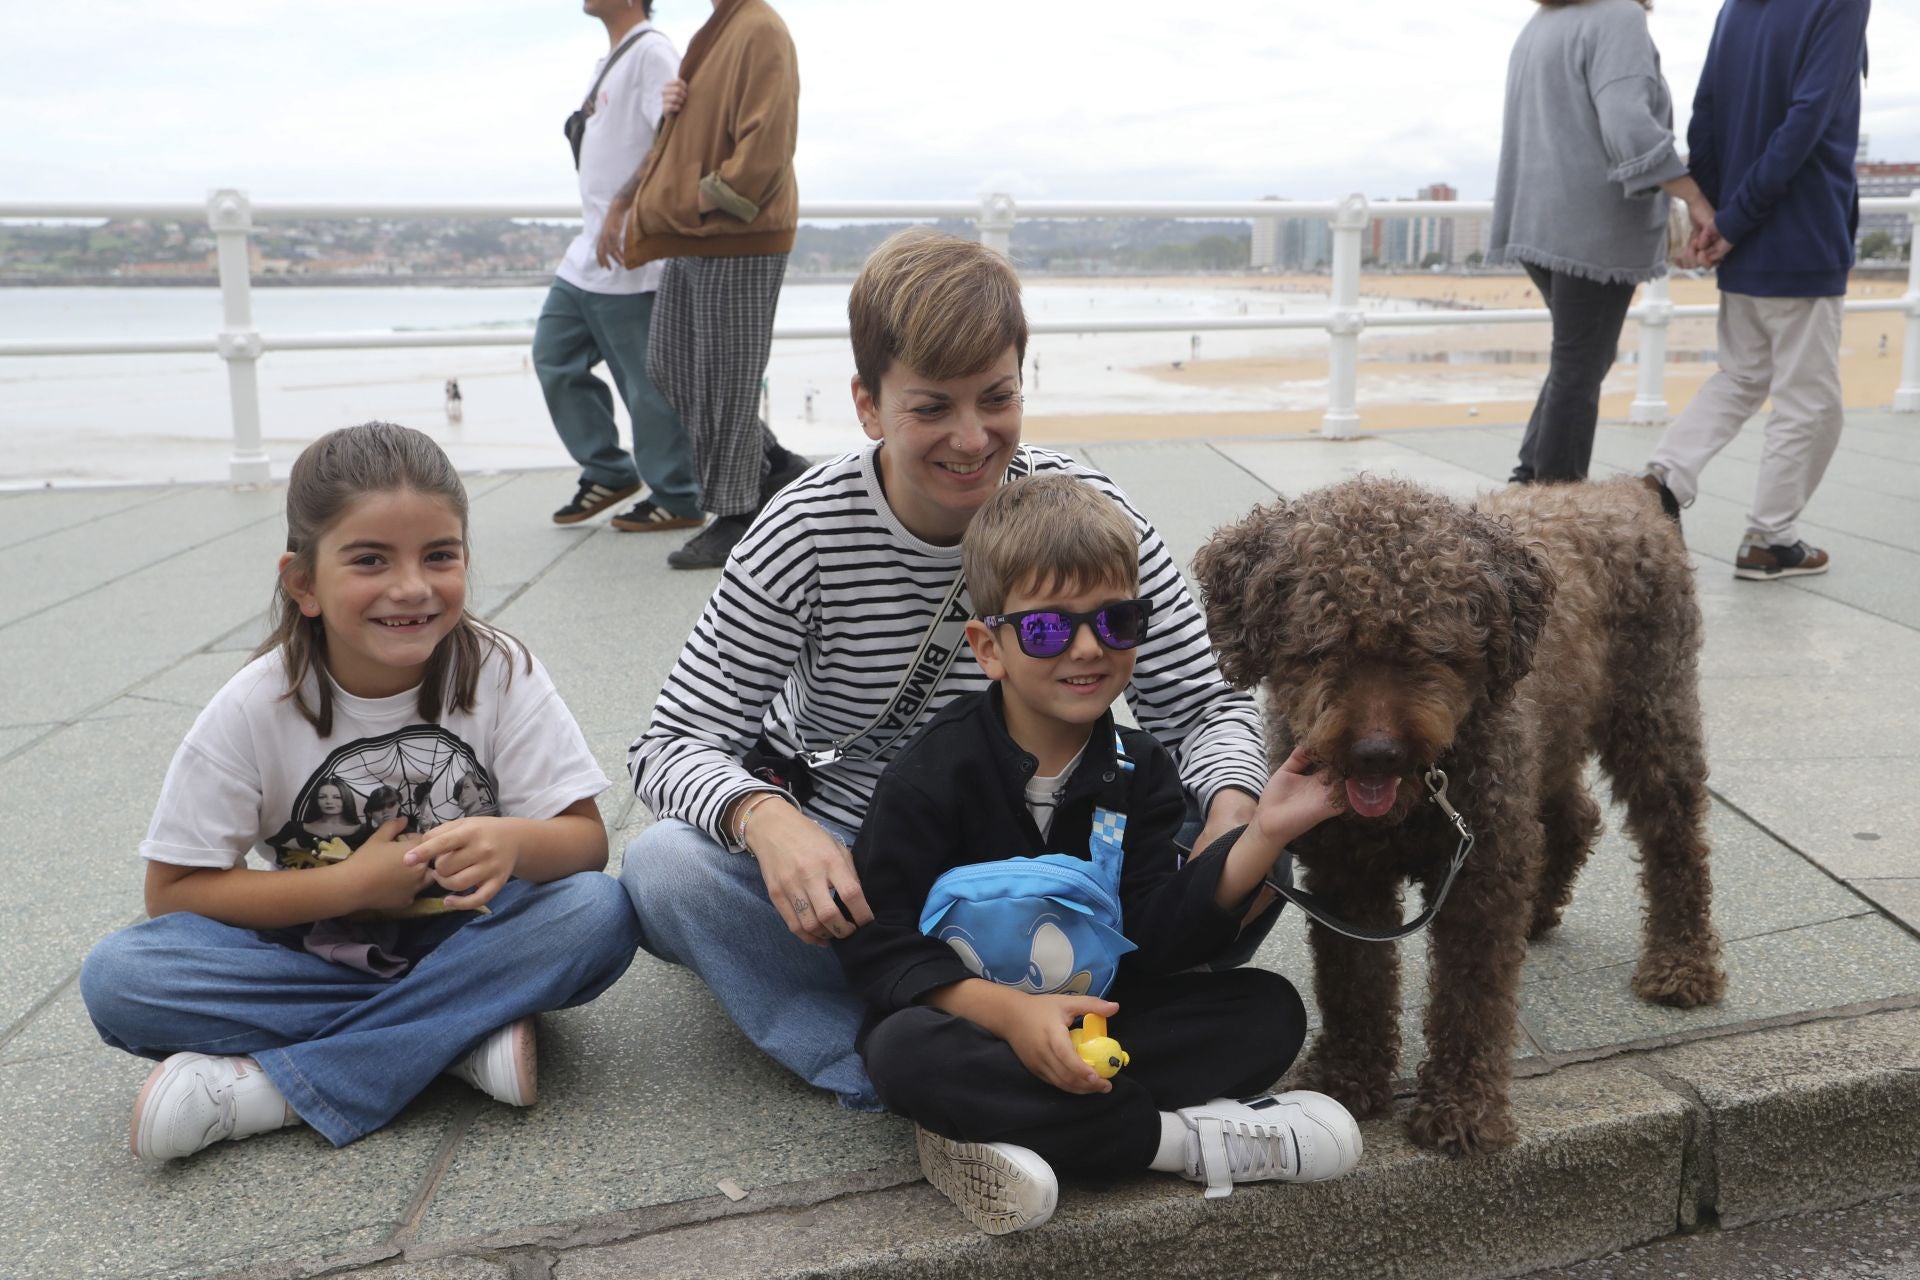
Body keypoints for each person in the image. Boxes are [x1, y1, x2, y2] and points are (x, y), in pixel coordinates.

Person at [623, 229, 1274, 1113]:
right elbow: (671, 744)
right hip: (867, 872)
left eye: (996, 398)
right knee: (667, 869)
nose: (973, 440)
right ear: (867, 404)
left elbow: (1203, 707)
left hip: (1064, 864)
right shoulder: (802, 533)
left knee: (1251, 848)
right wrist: (767, 818)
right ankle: (889, 1067)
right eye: (932, 408)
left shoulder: (1086, 514)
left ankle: (974, 1062)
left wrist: (1234, 811)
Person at [78, 422, 639, 1160]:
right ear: (304, 582)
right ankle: (458, 1035)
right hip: (315, 950)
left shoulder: (499, 670)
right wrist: (346, 888)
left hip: (470, 934)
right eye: (370, 560)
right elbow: (174, 893)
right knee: (122, 978)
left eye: (440, 556)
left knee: (597, 915)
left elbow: (584, 844)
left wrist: (512, 841)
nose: (411, 587)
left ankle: (275, 1089)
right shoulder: (254, 706)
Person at [834, 475, 1361, 1235]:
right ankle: (1178, 1143)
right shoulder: (931, 773)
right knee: (904, 1056)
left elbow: (1153, 938)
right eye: (1047, 630)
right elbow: (879, 948)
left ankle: (996, 1130)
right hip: (971, 1027)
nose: (1087, 648)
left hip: (1102, 1021)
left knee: (1270, 1013)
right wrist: (1013, 1017)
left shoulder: (1139, 769)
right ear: (988, 648)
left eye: (1116, 622)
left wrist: (1265, 835)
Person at [1644, 0, 1870, 580]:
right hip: (1801, 233)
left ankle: (1660, 485)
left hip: (1742, 235)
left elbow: (1707, 114)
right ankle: (1771, 540)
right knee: (1811, 402)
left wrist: (1715, 215)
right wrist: (1733, 220)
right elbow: (1810, 116)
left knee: (1741, 376)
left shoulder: (1737, 6)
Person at [602, 0, 811, 569]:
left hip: (736, 231)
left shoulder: (760, 26)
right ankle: (774, 466)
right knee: (671, 364)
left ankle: (738, 514)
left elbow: (767, 140)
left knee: (725, 376)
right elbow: (704, 130)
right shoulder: (717, 33)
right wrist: (675, 108)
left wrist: (703, 198)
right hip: (695, 234)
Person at [1488, 0, 1716, 484]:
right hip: (1589, 229)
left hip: (1535, 221)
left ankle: (1528, 485)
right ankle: (1553, 510)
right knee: (1579, 365)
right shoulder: (1617, 15)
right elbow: (1628, 126)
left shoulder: (1541, 23)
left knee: (1578, 358)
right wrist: (1694, 197)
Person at [537, 0, 704, 535]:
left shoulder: (652, 51)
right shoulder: (609, 60)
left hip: (632, 255)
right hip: (588, 253)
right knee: (553, 355)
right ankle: (609, 470)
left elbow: (674, 144)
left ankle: (677, 495)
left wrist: (625, 207)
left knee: (646, 385)